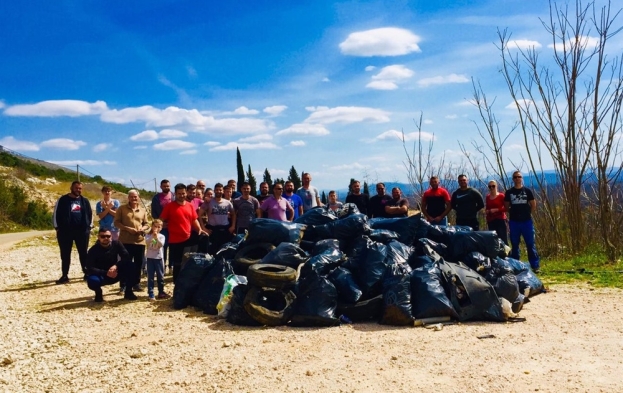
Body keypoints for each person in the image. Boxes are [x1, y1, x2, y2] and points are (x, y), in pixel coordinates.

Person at [160, 183, 207, 282]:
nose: (182, 195)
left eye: (183, 193)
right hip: (175, 240)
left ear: (186, 193)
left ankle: (188, 280)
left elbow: (194, 219)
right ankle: (176, 283)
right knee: (177, 263)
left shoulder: (190, 206)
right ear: (175, 194)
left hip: (188, 238)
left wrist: (199, 229)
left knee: (189, 260)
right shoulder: (169, 206)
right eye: (179, 194)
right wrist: (160, 226)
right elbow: (161, 220)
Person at [53, 180, 93, 284]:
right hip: (65, 232)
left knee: (84, 253)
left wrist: (89, 227)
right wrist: (57, 228)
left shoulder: (85, 201)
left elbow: (90, 214)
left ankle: (86, 273)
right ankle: (65, 276)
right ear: (71, 188)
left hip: (82, 232)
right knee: (65, 254)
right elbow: (56, 214)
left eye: (80, 188)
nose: (78, 190)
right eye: (76, 188)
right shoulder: (62, 200)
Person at [85, 228, 138, 302]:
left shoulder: (117, 244)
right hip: (102, 275)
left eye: (108, 236)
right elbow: (89, 267)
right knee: (92, 280)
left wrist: (116, 266)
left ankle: (128, 291)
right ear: (98, 237)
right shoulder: (93, 250)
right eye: (103, 236)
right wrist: (106, 272)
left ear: (111, 237)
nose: (106, 238)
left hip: (116, 272)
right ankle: (98, 293)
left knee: (131, 266)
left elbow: (126, 257)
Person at [504, 171, 540, 272]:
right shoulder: (509, 192)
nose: (517, 178)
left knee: (530, 243)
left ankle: (535, 265)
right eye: (515, 177)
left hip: (526, 221)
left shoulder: (527, 191)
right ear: (513, 179)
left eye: (519, 177)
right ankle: (516, 266)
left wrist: (527, 212)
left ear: (522, 178)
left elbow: (533, 204)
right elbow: (506, 206)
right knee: (515, 244)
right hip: (514, 221)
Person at [114, 189, 149, 293]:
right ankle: (123, 285)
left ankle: (136, 283)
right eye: (132, 197)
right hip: (125, 241)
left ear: (138, 197)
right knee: (125, 263)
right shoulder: (121, 209)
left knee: (138, 264)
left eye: (136, 197)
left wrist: (142, 229)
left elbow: (147, 224)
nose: (134, 198)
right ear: (128, 198)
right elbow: (116, 222)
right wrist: (127, 228)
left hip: (139, 241)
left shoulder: (142, 210)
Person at [205, 183, 235, 255]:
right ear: (214, 191)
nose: (218, 191)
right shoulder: (209, 202)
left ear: (223, 191)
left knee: (224, 250)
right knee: (212, 251)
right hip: (213, 229)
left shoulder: (227, 203)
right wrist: (203, 228)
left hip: (225, 229)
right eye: (217, 190)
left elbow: (234, 214)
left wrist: (233, 226)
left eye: (220, 190)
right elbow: (199, 214)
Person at [151, 179, 174, 271]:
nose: (166, 187)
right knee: (161, 246)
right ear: (161, 187)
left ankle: (171, 265)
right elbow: (154, 213)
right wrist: (160, 223)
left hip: (172, 226)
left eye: (167, 186)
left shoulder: (174, 196)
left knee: (172, 246)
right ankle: (162, 265)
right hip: (161, 227)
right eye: (164, 186)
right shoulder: (156, 198)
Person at [144, 219, 171, 301]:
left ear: (161, 228)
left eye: (159, 227)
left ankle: (161, 292)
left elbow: (161, 244)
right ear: (152, 227)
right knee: (150, 276)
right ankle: (151, 293)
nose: (156, 228)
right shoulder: (148, 235)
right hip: (150, 258)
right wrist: (153, 236)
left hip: (159, 258)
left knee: (160, 276)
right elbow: (147, 242)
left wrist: (156, 237)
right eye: (155, 226)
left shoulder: (162, 236)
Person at [485, 180, 508, 245]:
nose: (491, 188)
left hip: (500, 220)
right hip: (491, 220)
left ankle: (507, 253)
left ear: (496, 186)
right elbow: (487, 207)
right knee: (494, 239)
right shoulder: (487, 197)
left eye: (493, 186)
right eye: (490, 186)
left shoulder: (501, 196)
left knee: (503, 238)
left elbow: (506, 208)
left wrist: (497, 210)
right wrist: (487, 211)